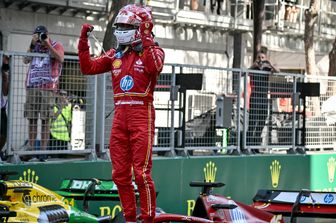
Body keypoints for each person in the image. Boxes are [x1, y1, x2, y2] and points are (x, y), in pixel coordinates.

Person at [77, 4, 164, 223]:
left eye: (127, 25)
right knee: (120, 175)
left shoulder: (152, 51)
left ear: (141, 27)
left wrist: (145, 38)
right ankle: (129, 218)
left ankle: (147, 219)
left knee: (141, 174)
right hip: (119, 117)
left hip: (141, 115)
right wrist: (83, 41)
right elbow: (88, 68)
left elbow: (155, 67)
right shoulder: (115, 54)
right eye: (120, 25)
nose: (121, 29)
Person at [23, 25, 64, 160]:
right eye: (37, 35)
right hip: (33, 86)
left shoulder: (55, 44)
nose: (40, 38)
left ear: (47, 34)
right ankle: (30, 149)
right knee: (32, 118)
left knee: (46, 119)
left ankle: (42, 151)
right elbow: (25, 60)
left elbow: (60, 58)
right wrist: (32, 43)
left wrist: (47, 44)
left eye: (42, 35)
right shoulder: (34, 46)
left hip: (48, 87)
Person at [246, 52, 279, 154]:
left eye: (263, 57)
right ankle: (248, 145)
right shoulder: (254, 68)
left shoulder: (266, 68)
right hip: (255, 96)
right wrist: (253, 65)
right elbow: (244, 73)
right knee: (253, 122)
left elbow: (277, 72)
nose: (261, 59)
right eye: (259, 57)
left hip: (264, 97)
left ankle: (255, 145)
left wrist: (269, 64)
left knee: (262, 120)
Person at [0, 55, 9, 156]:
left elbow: (6, 92)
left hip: (1, 108)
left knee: (4, 134)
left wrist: (5, 77)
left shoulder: (4, 74)